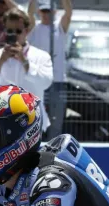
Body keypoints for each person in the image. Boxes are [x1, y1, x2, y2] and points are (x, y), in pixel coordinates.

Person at [0, 8, 53, 133]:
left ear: (27, 31)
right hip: (1, 123)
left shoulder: (41, 56)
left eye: (18, 31)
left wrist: (24, 61)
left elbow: (46, 82)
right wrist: (0, 62)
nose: (14, 35)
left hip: (33, 123)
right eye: (10, 31)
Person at [27, 0, 72, 139]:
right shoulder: (34, 28)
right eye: (44, 11)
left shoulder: (60, 27)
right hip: (38, 81)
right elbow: (29, 13)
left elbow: (69, 12)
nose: (46, 15)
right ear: (39, 12)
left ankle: (53, 151)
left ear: (55, 12)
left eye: (49, 12)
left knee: (56, 121)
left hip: (58, 81)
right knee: (36, 119)